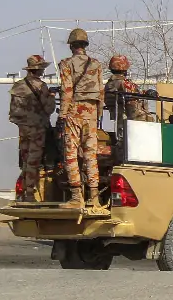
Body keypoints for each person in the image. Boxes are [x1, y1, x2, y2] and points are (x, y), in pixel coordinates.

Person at [58, 28, 104, 210]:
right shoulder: (96, 64)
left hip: (74, 111)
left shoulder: (66, 64)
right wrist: (97, 114)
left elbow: (67, 90)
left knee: (70, 153)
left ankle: (77, 197)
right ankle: (94, 198)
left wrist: (62, 115)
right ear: (85, 45)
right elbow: (101, 92)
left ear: (71, 46)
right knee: (91, 155)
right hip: (91, 112)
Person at [8, 55, 56, 202]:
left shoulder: (17, 85)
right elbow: (49, 109)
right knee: (34, 161)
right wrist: (52, 96)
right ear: (39, 69)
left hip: (23, 127)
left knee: (25, 159)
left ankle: (23, 192)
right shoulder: (41, 86)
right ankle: (29, 194)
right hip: (37, 128)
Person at [104, 54, 155, 122]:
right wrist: (148, 92)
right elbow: (137, 92)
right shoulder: (122, 83)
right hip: (135, 120)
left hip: (120, 117)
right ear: (125, 68)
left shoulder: (109, 84)